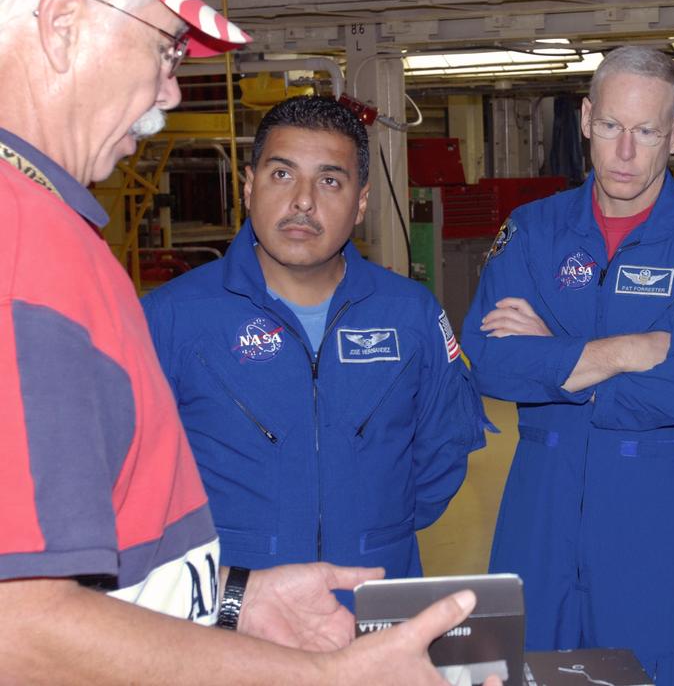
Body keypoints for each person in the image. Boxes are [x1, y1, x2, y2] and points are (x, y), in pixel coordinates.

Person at [0, 0, 491, 684]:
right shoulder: (25, 245)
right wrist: (318, 679)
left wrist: (236, 601)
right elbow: (20, 626)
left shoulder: (47, 225)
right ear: (62, 24)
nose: (170, 85)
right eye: (162, 47)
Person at [460, 46, 674, 686]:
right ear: (588, 118)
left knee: (648, 668)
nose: (625, 151)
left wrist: (555, 357)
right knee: (523, 670)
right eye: (613, 126)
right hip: (540, 499)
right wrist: (630, 350)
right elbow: (490, 362)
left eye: (646, 131)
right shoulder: (532, 231)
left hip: (655, 511)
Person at [143, 95, 487, 585]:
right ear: (248, 186)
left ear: (362, 201)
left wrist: (374, 528)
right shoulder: (171, 318)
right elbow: (133, 480)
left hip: (372, 597)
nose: (303, 201)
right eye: (282, 174)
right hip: (235, 612)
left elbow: (443, 451)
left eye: (329, 181)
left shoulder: (410, 314)